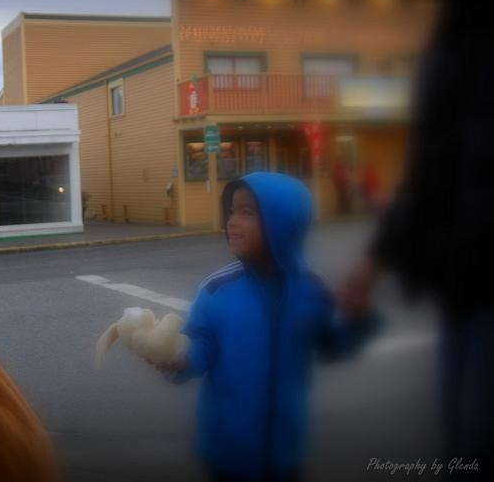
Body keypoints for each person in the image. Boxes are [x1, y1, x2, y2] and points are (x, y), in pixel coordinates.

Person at [339, 0, 493, 476]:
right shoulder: (452, 38)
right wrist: (374, 260)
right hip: (463, 289)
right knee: (463, 446)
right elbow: (433, 168)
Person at [159, 172, 380, 482]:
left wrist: (358, 321)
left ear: (283, 223)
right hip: (227, 454)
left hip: (286, 452)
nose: (232, 221)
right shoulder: (217, 290)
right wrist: (179, 359)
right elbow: (200, 344)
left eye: (246, 212)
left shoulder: (311, 290)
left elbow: (331, 345)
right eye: (232, 211)